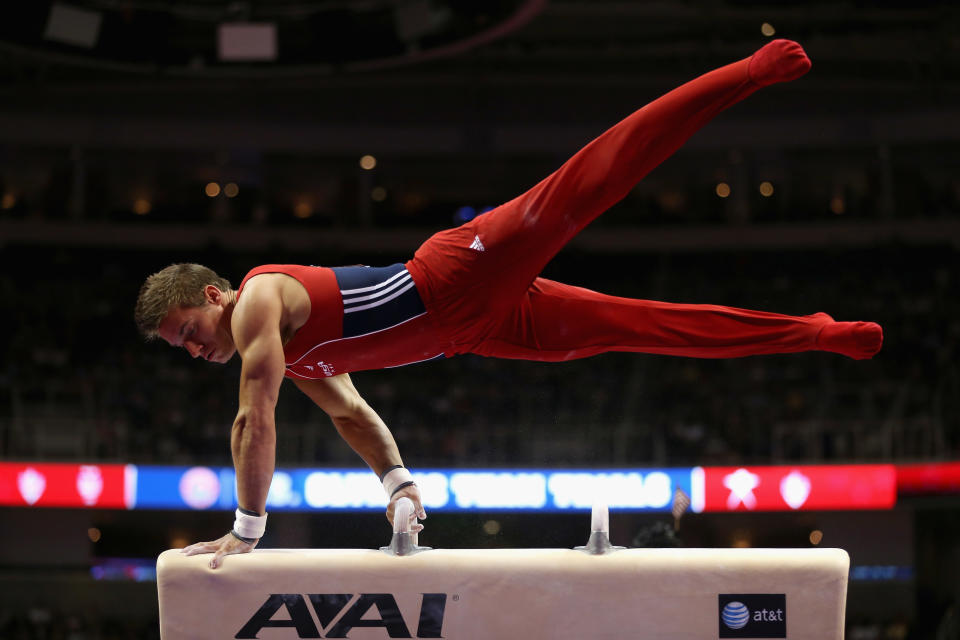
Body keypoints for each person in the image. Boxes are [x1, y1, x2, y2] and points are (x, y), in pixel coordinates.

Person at [134, 39, 882, 568]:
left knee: (593, 179)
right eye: (181, 349)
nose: (194, 350)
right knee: (642, 328)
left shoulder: (261, 298)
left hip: (455, 274)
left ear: (214, 294)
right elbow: (353, 416)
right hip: (482, 331)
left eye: (188, 331)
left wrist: (247, 530)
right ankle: (819, 335)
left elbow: (250, 416)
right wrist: (397, 484)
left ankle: (748, 73)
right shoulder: (303, 360)